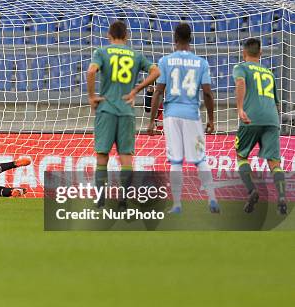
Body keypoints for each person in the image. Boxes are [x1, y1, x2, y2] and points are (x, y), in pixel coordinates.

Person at [87, 20, 160, 209]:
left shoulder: (101, 52)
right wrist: (136, 90)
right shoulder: (135, 55)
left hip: (106, 110)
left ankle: (101, 197)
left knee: (102, 155)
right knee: (126, 156)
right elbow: (156, 71)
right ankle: (123, 197)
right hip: (127, 111)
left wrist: (92, 96)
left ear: (108, 36)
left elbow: (91, 71)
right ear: (127, 36)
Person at [147, 23, 219, 214]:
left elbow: (158, 93)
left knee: (176, 161)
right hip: (192, 115)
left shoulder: (165, 61)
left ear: (175, 39)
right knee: (200, 159)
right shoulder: (201, 62)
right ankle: (212, 199)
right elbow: (208, 94)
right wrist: (211, 119)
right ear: (191, 39)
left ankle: (177, 204)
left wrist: (152, 120)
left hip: (171, 116)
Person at [232, 38, 287, 215]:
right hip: (272, 119)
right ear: (261, 53)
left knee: (241, 156)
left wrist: (240, 108)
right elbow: (277, 104)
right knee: (274, 162)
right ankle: (281, 196)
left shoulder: (241, 67)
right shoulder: (269, 73)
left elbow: (240, 82)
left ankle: (252, 191)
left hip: (251, 117)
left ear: (244, 53)